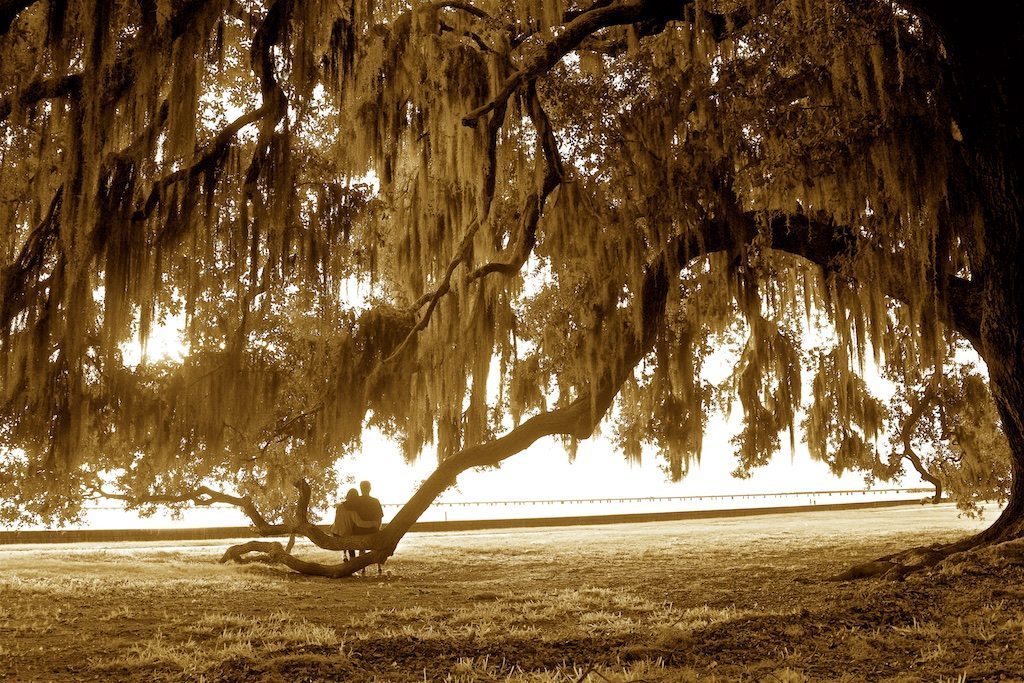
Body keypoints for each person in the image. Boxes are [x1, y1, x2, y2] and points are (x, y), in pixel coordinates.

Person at [331, 487, 378, 560]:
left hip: (335, 533)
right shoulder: (352, 511)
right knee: (350, 540)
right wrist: (373, 523)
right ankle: (352, 563)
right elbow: (360, 523)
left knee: (347, 537)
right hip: (345, 535)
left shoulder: (339, 507)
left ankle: (344, 555)